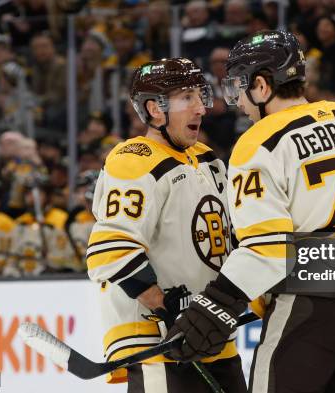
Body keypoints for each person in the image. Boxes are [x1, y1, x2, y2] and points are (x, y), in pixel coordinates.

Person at [167, 31, 335, 393]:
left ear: (261, 85)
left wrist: (214, 306)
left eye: (240, 87)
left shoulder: (259, 143)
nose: (238, 101)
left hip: (307, 315)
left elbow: (268, 251)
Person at [87, 58, 246, 393]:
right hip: (159, 345)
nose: (201, 108)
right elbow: (112, 250)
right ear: (155, 109)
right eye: (186, 97)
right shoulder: (134, 159)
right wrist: (168, 307)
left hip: (214, 337)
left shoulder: (209, 159)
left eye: (200, 96)